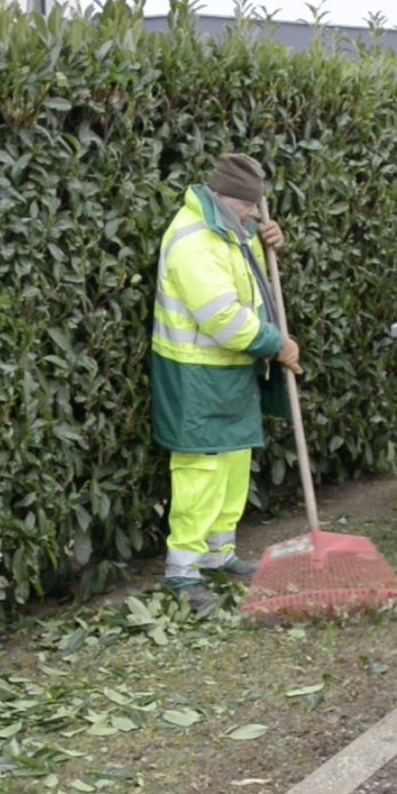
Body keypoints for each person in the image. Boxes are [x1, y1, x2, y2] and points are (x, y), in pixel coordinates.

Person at [148, 153, 303, 613]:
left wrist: (262, 239)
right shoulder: (193, 241)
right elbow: (221, 317)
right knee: (201, 471)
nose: (255, 213)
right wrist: (276, 343)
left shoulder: (226, 227)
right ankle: (183, 572)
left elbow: (248, 279)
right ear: (223, 198)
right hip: (196, 373)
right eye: (249, 209)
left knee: (233, 462)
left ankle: (219, 554)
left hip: (228, 370)